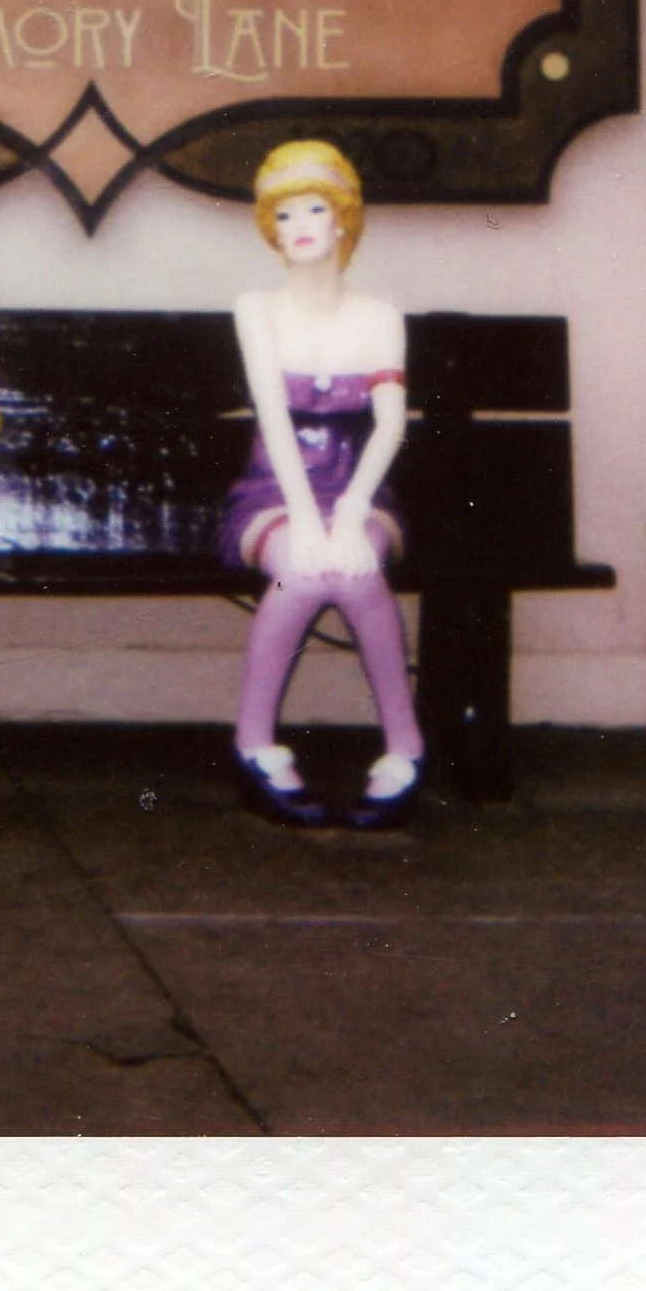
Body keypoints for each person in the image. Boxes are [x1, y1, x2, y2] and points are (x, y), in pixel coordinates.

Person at [222, 140, 424, 828]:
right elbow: (272, 421)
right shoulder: (257, 309)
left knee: (358, 566)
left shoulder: (378, 316)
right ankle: (253, 743)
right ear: (270, 230)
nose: (301, 223)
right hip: (273, 491)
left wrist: (353, 511)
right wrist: (306, 522)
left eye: (315, 208)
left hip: (358, 488)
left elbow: (390, 426)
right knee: (303, 572)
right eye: (284, 214)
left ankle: (405, 747)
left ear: (343, 220)